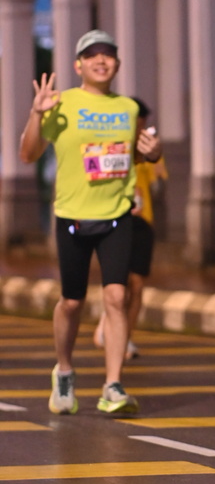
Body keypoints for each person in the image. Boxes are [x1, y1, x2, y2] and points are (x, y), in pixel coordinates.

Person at [19, 29, 162, 416]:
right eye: (92, 55)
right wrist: (37, 113)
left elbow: (132, 156)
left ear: (117, 64)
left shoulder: (128, 108)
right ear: (78, 65)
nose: (101, 60)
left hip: (117, 214)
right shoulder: (61, 103)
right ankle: (64, 370)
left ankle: (113, 385)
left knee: (116, 297)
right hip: (73, 216)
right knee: (72, 301)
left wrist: (152, 152)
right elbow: (28, 154)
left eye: (108, 54)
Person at [94, 97, 168, 359]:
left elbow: (158, 182)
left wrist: (155, 155)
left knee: (136, 284)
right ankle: (107, 324)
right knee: (119, 284)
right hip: (115, 219)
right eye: (136, 121)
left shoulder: (147, 145)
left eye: (143, 122)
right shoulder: (111, 146)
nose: (140, 127)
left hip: (142, 221)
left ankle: (125, 338)